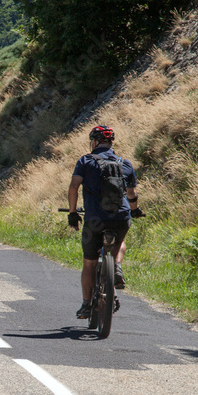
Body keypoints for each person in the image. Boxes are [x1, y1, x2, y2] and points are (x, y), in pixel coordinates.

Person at [67, 125, 143, 318]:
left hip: (94, 219)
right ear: (111, 143)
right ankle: (116, 266)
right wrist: (134, 211)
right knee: (120, 241)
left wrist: (73, 213)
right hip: (120, 217)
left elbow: (74, 187)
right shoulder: (124, 163)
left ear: (94, 142)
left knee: (89, 263)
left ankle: (86, 305)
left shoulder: (85, 161)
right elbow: (131, 193)